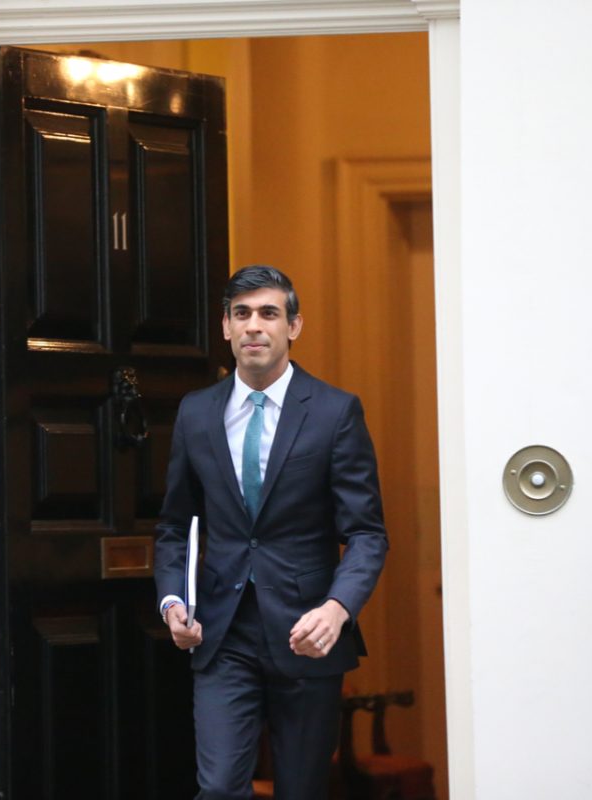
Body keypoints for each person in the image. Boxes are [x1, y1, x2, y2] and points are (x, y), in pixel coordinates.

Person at [155, 265, 389, 799]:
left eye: (268, 313)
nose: (254, 326)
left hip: (307, 633)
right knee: (217, 789)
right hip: (222, 633)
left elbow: (368, 533)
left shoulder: (335, 412)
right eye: (242, 314)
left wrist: (338, 608)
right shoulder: (196, 413)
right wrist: (173, 601)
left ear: (294, 326)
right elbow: (174, 526)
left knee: (301, 790)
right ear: (225, 328)